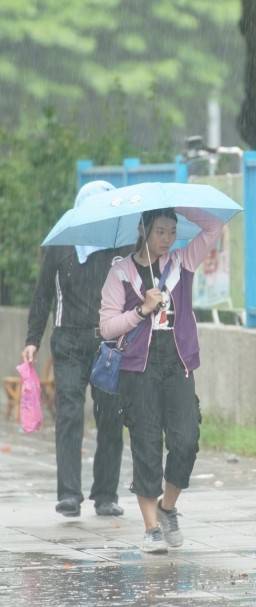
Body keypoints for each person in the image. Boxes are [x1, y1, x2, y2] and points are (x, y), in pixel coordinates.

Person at [99, 206, 223, 553]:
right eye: (160, 231)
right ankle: (151, 527)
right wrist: (141, 310)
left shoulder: (182, 263)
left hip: (178, 363)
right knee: (146, 443)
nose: (167, 239)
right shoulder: (121, 273)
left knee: (186, 440)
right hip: (138, 368)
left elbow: (213, 227)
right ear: (143, 229)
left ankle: (168, 507)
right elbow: (107, 327)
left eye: (172, 231)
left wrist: (179, 203)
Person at [22, 180, 128, 518]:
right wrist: (32, 340)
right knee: (69, 414)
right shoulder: (62, 244)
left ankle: (106, 494)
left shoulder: (119, 246)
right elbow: (42, 295)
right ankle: (69, 493)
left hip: (109, 344)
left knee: (110, 416)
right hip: (68, 342)